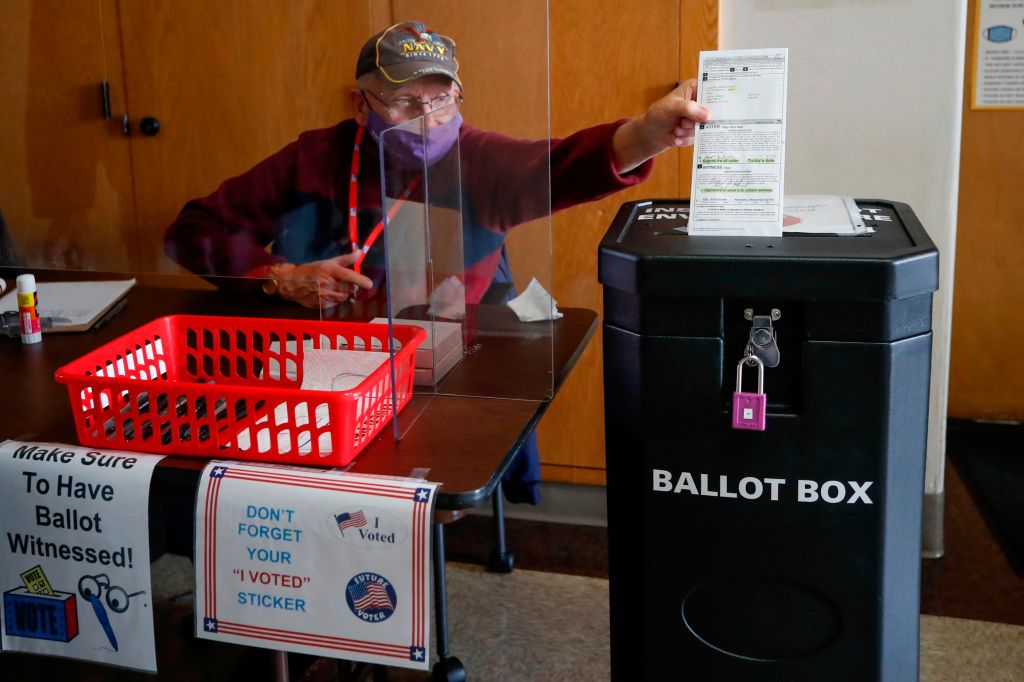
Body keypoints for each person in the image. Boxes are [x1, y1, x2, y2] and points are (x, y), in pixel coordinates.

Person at [165, 20, 709, 502]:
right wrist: (278, 279)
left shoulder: (479, 159)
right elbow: (194, 230)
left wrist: (646, 135)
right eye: (404, 102)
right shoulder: (313, 156)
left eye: (441, 100)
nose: (426, 119)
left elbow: (561, 166)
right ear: (361, 106)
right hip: (325, 357)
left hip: (437, 369)